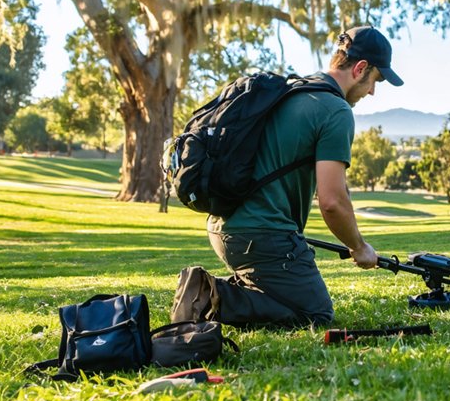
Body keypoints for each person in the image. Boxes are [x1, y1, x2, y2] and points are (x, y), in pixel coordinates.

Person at [171, 25, 403, 327]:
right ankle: (208, 297)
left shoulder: (293, 90)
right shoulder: (335, 110)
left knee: (285, 296)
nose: (372, 90)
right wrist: (359, 247)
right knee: (315, 314)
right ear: (360, 68)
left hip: (224, 229)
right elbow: (332, 201)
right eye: (376, 80)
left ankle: (219, 290)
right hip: (264, 237)